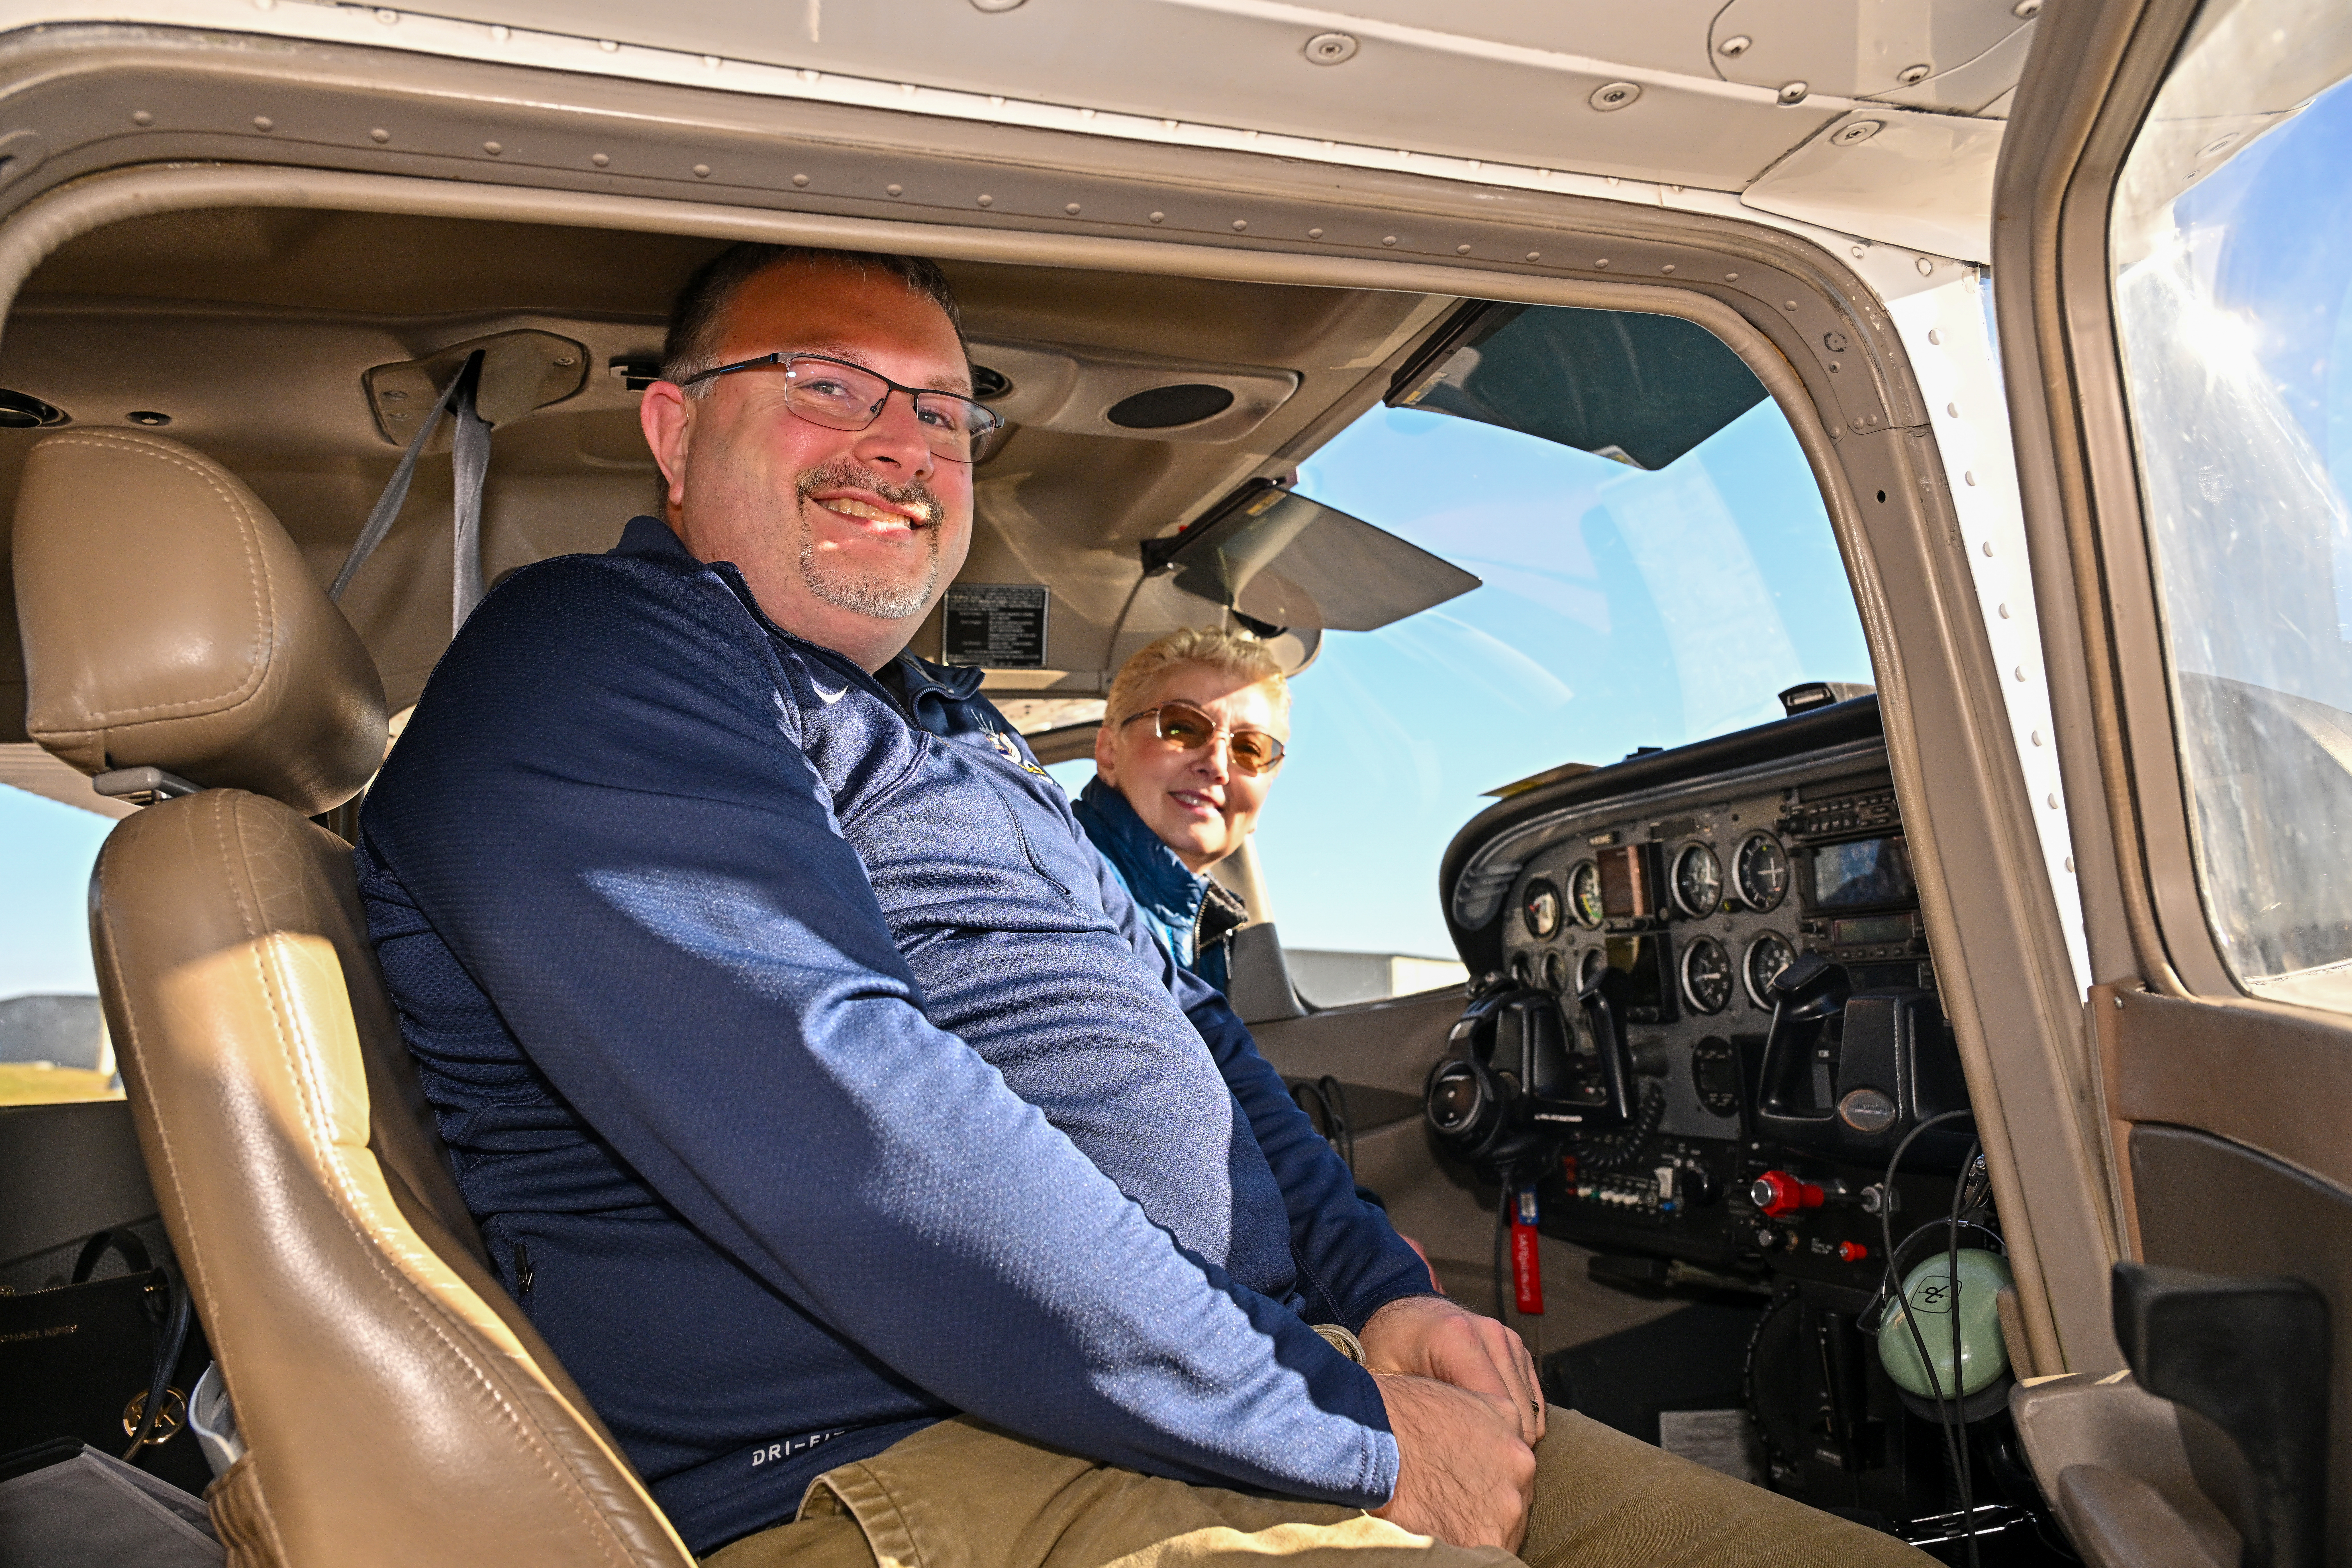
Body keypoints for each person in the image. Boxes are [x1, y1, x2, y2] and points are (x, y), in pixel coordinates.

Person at [354, 242, 1925, 1568]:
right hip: (904, 1467)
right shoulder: (596, 658)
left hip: (1208, 1384)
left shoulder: (950, 738)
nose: (901, 445)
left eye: (943, 413)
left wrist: (1380, 1300)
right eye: (825, 383)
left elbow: (1198, 1039)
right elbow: (860, 1130)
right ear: (672, 428)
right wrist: (1338, 1426)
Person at [1071, 627, 1288, 993]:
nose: (1217, 765)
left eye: (1251, 749)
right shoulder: (1063, 879)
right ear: (1109, 752)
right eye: (1183, 727)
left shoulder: (1208, 927)